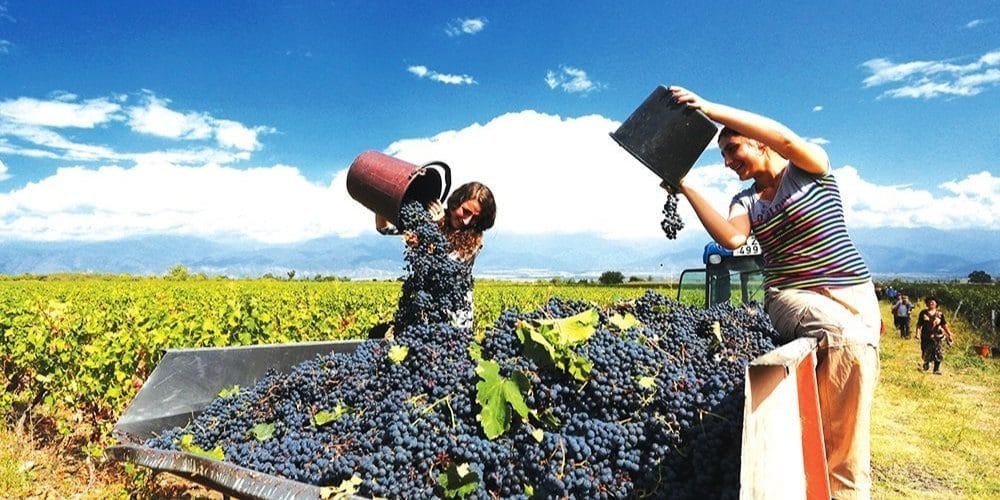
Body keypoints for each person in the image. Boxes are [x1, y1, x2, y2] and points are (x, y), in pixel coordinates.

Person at [664, 86, 880, 499]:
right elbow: (730, 237)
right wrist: (686, 186)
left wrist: (708, 109)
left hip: (854, 291)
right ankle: (845, 491)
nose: (728, 162)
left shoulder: (809, 168)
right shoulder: (745, 200)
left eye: (733, 150)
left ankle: (833, 474)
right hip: (790, 294)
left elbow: (785, 139)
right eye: (723, 155)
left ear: (758, 142)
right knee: (847, 341)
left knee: (855, 388)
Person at [375, 181, 497, 329]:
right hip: (423, 308)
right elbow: (384, 228)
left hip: (454, 316)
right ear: (456, 202)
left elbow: (445, 269)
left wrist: (429, 236)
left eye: (475, 218)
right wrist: (380, 201)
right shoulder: (428, 220)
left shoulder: (474, 241)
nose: (467, 220)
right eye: (465, 211)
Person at [916, 296, 954, 374]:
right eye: (929, 302)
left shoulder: (940, 314)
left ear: (936, 304)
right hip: (926, 336)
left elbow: (944, 324)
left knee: (938, 351)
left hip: (938, 336)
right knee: (925, 350)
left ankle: (936, 369)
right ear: (927, 304)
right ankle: (926, 363)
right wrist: (917, 333)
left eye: (933, 301)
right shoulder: (923, 313)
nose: (931, 303)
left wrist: (949, 333)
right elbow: (919, 325)